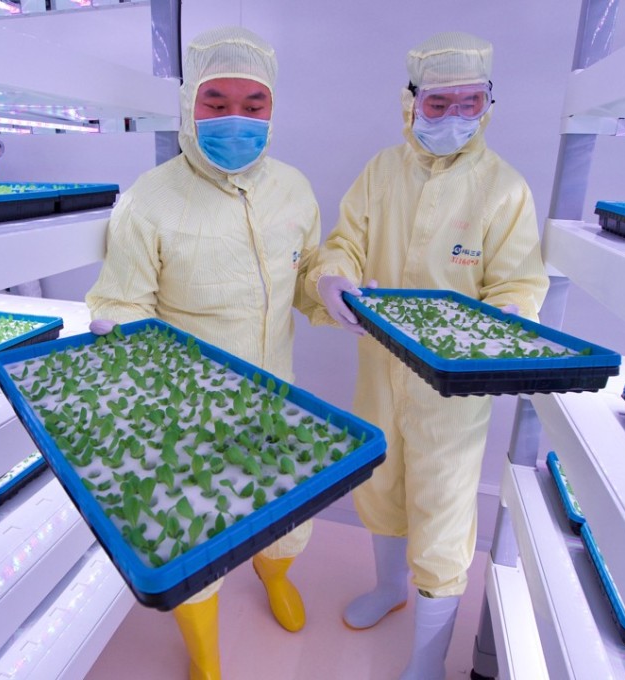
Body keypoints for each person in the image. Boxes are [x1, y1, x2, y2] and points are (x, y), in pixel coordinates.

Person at [305, 32, 549, 680]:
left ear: (489, 104)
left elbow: (520, 286)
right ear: (410, 102)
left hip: (454, 393)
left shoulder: (504, 190)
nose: (454, 119)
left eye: (470, 103)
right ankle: (390, 589)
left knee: (442, 517)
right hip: (380, 371)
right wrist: (332, 280)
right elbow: (344, 245)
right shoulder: (380, 173)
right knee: (381, 483)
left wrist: (494, 330)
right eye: (438, 105)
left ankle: (427, 659)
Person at [85, 26, 323, 680]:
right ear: (190, 105)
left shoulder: (296, 190)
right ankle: (206, 656)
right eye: (216, 103)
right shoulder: (148, 200)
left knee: (287, 513)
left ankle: (275, 574)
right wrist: (119, 338)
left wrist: (331, 289)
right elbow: (121, 301)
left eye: (253, 104)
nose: (235, 119)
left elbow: (304, 278)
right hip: (187, 411)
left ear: (273, 110)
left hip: (277, 393)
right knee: (196, 535)